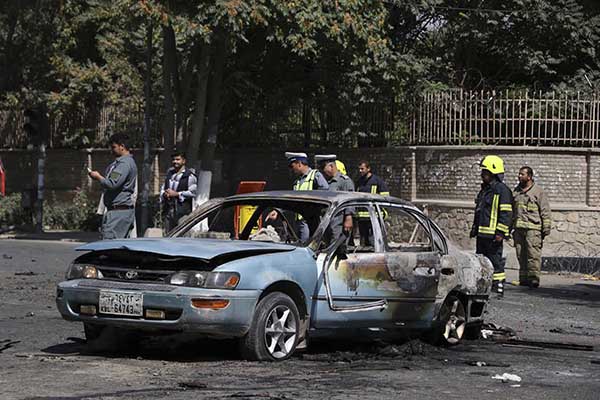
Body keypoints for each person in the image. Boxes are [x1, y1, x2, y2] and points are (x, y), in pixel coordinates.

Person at [470, 155, 513, 298]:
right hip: (482, 234)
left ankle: (498, 288)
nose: (482, 175)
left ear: (493, 172)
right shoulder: (485, 190)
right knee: (481, 261)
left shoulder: (502, 190)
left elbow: (506, 213)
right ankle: (483, 287)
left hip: (494, 235)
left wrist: (500, 232)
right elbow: (480, 211)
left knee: (495, 261)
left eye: (485, 172)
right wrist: (475, 228)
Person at [89, 133, 137, 239]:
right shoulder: (121, 163)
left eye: (114, 147)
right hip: (118, 211)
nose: (112, 150)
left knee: (109, 245)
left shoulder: (124, 164)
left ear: (122, 146)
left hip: (118, 213)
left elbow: (112, 184)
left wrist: (98, 177)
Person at [512, 166, 552, 288]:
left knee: (533, 255)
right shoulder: (516, 191)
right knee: (520, 254)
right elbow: (512, 210)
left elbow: (545, 211)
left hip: (533, 229)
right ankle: (523, 278)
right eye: (519, 174)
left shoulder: (538, 192)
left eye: (522, 174)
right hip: (519, 229)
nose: (519, 176)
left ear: (529, 177)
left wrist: (546, 228)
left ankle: (533, 279)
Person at [286, 152, 328, 241]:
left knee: (306, 247)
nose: (292, 169)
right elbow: (292, 199)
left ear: (299, 164)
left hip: (310, 219)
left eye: (292, 166)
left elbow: (325, 193)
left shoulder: (316, 175)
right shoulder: (297, 181)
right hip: (300, 220)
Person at [316, 154, 354, 244]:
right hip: (325, 220)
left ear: (331, 166)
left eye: (323, 167)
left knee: (337, 246)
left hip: (338, 221)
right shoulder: (324, 182)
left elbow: (350, 201)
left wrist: (349, 218)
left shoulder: (344, 181)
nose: (321, 170)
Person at [160, 152, 198, 232]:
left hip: (183, 212)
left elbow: (193, 193)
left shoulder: (190, 176)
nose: (175, 161)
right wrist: (165, 194)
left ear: (184, 161)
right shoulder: (169, 174)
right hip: (169, 211)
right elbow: (163, 188)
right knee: (168, 236)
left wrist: (177, 194)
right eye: (173, 159)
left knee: (182, 237)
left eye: (178, 159)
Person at [356, 160, 389, 246]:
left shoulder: (377, 181)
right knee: (363, 242)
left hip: (374, 217)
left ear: (368, 169)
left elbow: (385, 197)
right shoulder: (359, 182)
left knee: (373, 241)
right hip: (362, 218)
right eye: (359, 169)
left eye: (362, 169)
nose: (360, 171)